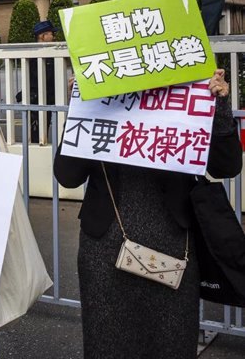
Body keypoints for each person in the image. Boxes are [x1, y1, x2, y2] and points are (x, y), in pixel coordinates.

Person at [53, 69, 242, 358]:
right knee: (107, 349)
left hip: (175, 251)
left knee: (172, 347)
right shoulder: (102, 89)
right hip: (104, 253)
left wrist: (218, 105)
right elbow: (67, 175)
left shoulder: (187, 84)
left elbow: (226, 167)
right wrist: (79, 109)